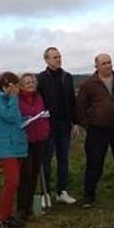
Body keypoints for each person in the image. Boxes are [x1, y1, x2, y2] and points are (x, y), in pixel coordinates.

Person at [76, 53, 114, 208]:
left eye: (109, 62)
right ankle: (89, 195)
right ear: (96, 66)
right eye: (104, 63)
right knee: (94, 163)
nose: (108, 65)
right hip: (97, 131)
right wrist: (87, 124)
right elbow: (80, 108)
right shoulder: (88, 84)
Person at [36, 47, 78, 205]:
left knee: (63, 160)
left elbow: (72, 102)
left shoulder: (67, 77)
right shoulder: (41, 78)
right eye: (54, 57)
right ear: (46, 60)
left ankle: (62, 191)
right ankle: (44, 194)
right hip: (48, 125)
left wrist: (74, 122)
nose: (58, 59)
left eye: (59, 56)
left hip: (65, 124)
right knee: (46, 160)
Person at [0, 72, 27, 228]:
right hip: (6, 146)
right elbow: (9, 116)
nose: (17, 90)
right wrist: (12, 98)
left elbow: (16, 119)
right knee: (12, 182)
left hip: (16, 144)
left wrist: (30, 118)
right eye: (15, 86)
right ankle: (2, 218)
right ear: (7, 86)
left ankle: (8, 214)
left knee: (13, 183)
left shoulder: (11, 100)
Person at [17, 73, 50, 218]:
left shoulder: (39, 97)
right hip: (25, 140)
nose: (30, 84)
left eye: (32, 82)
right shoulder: (17, 99)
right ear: (21, 85)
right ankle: (21, 207)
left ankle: (30, 205)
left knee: (35, 173)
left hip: (40, 139)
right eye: (27, 82)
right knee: (26, 174)